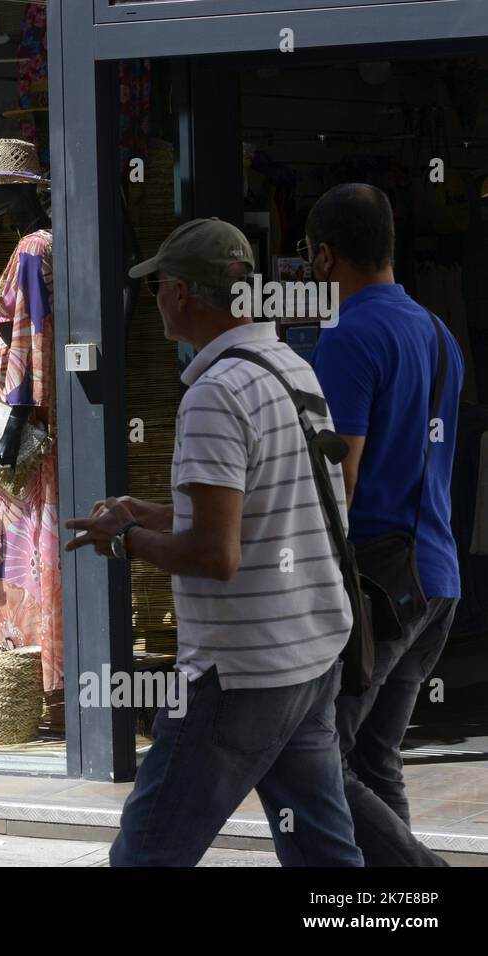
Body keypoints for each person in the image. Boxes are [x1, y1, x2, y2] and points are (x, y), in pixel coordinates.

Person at [66, 218, 362, 866]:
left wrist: (125, 541)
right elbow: (262, 513)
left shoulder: (214, 393)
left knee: (146, 855)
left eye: (157, 289)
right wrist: (144, 512)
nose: (157, 302)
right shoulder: (289, 368)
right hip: (308, 657)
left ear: (179, 292)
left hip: (239, 674)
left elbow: (215, 555)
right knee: (326, 857)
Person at [307, 183, 463, 866]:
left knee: (316, 756)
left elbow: (340, 475)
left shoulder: (347, 337)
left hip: (377, 586)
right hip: (436, 578)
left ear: (322, 258)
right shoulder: (437, 331)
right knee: (376, 761)